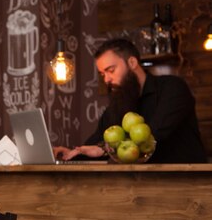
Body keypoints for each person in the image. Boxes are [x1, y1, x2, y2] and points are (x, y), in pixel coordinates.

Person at [54, 37, 207, 163]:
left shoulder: (172, 88)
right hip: (138, 187)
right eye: (102, 74)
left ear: (132, 63)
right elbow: (95, 142)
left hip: (187, 183)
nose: (106, 79)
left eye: (111, 70)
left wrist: (103, 148)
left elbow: (149, 138)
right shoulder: (118, 104)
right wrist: (72, 153)